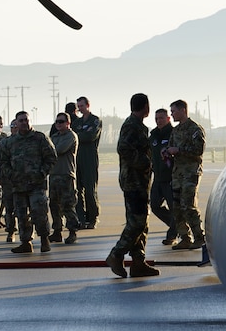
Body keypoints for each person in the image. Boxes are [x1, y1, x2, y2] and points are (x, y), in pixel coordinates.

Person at [106, 93, 160, 278]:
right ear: (146, 107)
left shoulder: (138, 126)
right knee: (137, 222)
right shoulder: (131, 126)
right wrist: (145, 162)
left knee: (141, 222)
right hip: (133, 181)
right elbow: (124, 148)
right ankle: (116, 254)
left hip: (140, 180)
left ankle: (138, 262)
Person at [0, 111, 55, 255]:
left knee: (39, 213)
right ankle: (26, 242)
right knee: (21, 215)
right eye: (21, 120)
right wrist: (11, 175)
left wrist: (42, 173)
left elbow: (51, 157)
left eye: (26, 120)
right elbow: (2, 161)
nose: (24, 123)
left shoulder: (40, 138)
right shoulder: (9, 142)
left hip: (36, 185)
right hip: (18, 185)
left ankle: (44, 239)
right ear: (16, 123)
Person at [164, 99, 207, 250]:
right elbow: (170, 146)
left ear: (183, 110)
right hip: (178, 173)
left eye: (173, 111)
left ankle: (199, 237)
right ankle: (185, 237)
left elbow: (198, 150)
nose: (172, 114)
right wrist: (167, 152)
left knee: (188, 205)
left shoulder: (194, 129)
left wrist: (179, 151)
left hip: (190, 172)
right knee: (176, 207)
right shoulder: (175, 130)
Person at [48, 112, 81, 245]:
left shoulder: (71, 136)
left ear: (68, 123)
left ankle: (72, 231)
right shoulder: (54, 136)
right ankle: (57, 231)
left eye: (61, 122)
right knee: (54, 204)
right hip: (54, 174)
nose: (58, 124)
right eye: (57, 122)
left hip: (66, 175)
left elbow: (58, 150)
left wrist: (47, 150)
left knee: (68, 204)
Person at [72, 96, 102, 229]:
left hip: (89, 157)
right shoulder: (76, 123)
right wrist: (81, 134)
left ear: (88, 105)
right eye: (78, 106)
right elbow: (71, 135)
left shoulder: (95, 120)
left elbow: (90, 136)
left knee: (90, 190)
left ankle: (93, 217)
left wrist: (79, 135)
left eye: (82, 106)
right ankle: (81, 218)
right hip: (77, 158)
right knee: (77, 189)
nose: (80, 109)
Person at [149, 108, 177, 245]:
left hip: (171, 177)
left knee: (174, 207)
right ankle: (175, 225)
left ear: (168, 119)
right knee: (154, 205)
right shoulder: (153, 135)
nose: (158, 121)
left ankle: (172, 234)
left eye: (161, 118)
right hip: (158, 177)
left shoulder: (174, 133)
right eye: (156, 119)